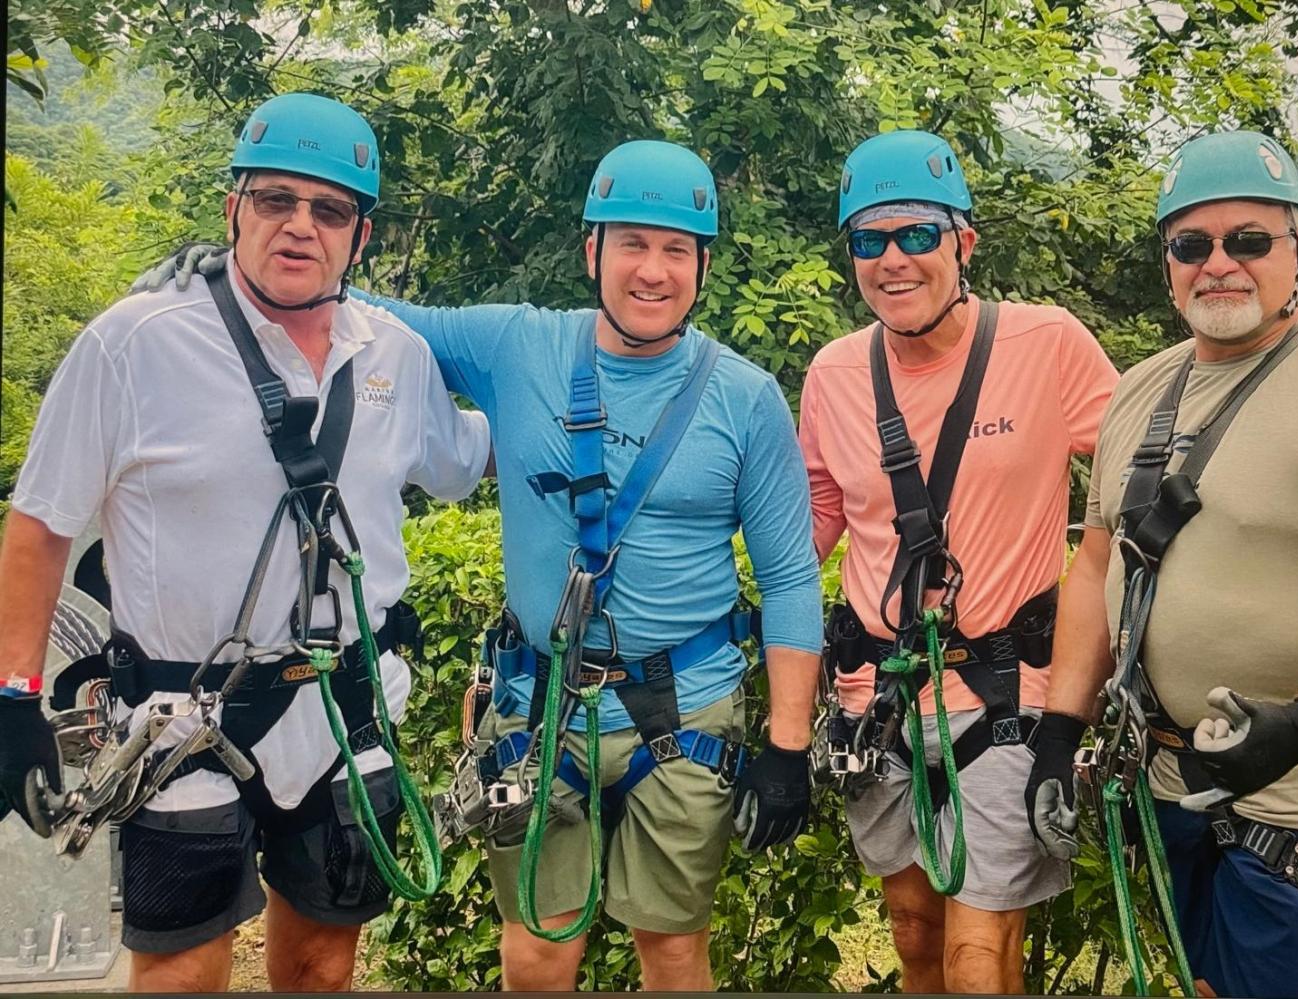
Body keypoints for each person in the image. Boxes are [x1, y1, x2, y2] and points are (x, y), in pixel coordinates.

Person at [151, 138, 823, 989]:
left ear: (701, 266)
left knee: (676, 946)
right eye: (631, 245)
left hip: (683, 707)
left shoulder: (745, 396)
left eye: (675, 250)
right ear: (593, 252)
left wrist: (787, 747)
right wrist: (229, 281)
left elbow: (791, 574)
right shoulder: (517, 345)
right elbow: (363, 311)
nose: (652, 271)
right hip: (538, 706)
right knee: (538, 952)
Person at [0, 92, 491, 991]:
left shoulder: (398, 357)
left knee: (321, 967)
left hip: (342, 708)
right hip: (177, 716)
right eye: (275, 200)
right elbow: (38, 524)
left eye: (329, 209)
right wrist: (11, 697)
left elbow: (466, 460)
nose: (300, 226)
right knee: (181, 972)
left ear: (360, 236)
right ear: (233, 208)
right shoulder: (135, 342)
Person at [1027, 130, 1298, 999]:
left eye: (1248, 240)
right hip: (1173, 771)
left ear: (1297, 246)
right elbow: (1097, 560)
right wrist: (1059, 728)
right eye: (1191, 244)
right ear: (1167, 261)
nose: (1218, 263)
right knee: (1208, 983)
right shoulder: (1141, 390)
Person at [798, 129, 1118, 994]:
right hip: (878, 697)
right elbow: (816, 517)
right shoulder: (833, 373)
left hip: (1004, 689)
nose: (892, 258)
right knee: (911, 933)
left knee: (980, 960)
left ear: (962, 243)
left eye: (916, 234)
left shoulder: (1045, 344)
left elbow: (1133, 473)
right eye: (869, 240)